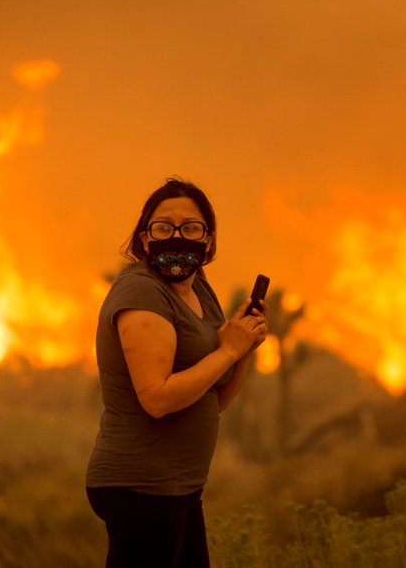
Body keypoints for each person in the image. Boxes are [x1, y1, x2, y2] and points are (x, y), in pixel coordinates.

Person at [85, 177, 268, 568]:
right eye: (163, 226)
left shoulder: (197, 288)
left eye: (191, 227)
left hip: (180, 487)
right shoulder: (142, 294)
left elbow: (212, 399)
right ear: (145, 238)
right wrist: (228, 351)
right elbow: (158, 397)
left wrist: (244, 349)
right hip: (141, 486)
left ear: (209, 239)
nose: (177, 236)